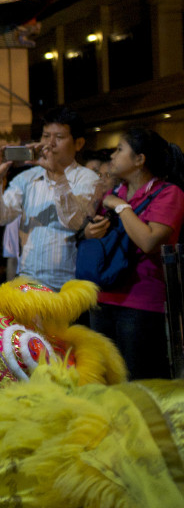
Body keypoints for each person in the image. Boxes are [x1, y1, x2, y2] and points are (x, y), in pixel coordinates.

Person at [82, 127, 184, 379]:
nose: (112, 157)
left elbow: (148, 241)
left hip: (142, 303)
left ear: (140, 160)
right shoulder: (112, 193)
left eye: (119, 150)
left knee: (138, 380)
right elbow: (93, 237)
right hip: (103, 296)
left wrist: (121, 207)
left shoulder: (168, 193)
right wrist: (90, 232)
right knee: (105, 379)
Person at [0, 106, 99, 291]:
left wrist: (58, 176)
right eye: (46, 136)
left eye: (59, 138)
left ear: (79, 144)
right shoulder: (27, 178)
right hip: (27, 285)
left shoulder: (88, 178)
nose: (50, 144)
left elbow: (74, 222)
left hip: (67, 288)